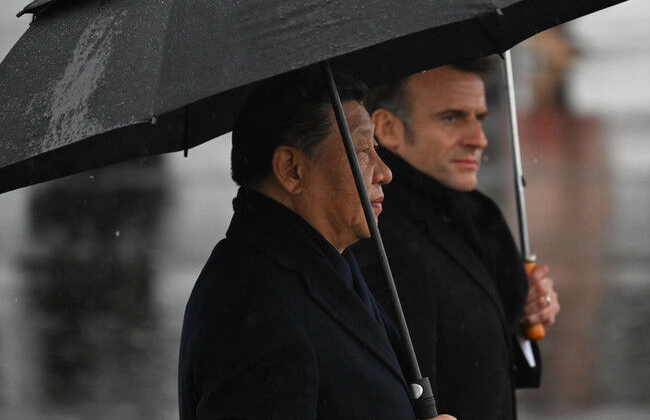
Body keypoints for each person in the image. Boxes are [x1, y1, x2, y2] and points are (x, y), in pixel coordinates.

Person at [178, 70, 456, 420]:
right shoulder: (256, 304)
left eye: (377, 149)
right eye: (362, 151)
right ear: (292, 170)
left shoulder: (325, 261)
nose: (384, 171)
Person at [352, 60, 561, 420]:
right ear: (387, 129)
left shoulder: (476, 214)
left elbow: (478, 363)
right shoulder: (381, 236)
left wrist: (520, 321)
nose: (478, 139)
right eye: (451, 118)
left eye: (479, 117)